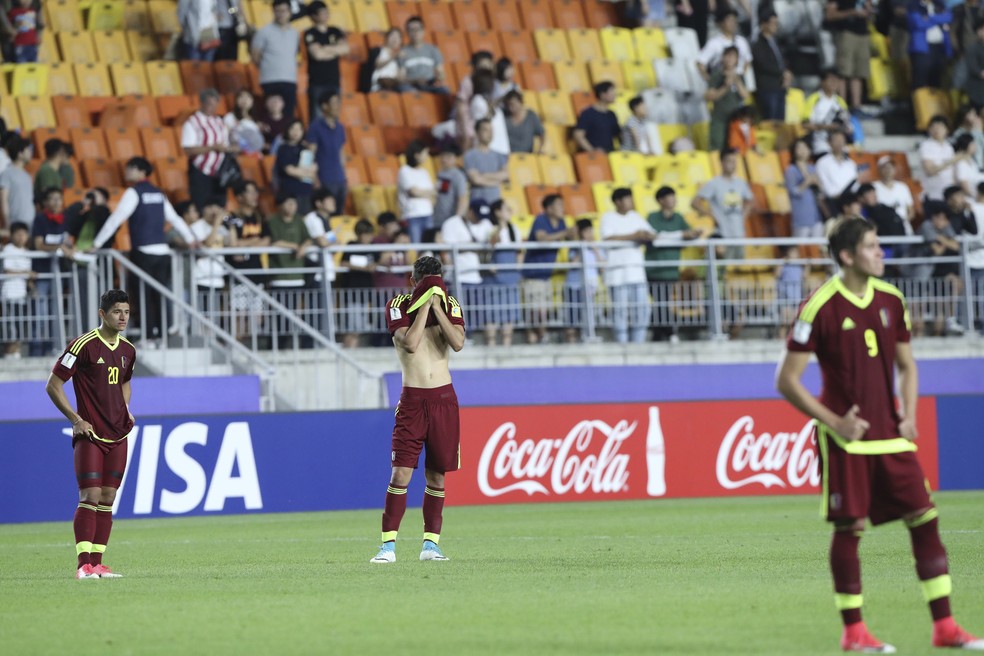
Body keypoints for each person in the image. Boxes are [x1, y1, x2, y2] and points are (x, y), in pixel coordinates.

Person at [776, 216, 984, 653]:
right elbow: (787, 380)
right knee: (850, 527)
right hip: (846, 440)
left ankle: (945, 627)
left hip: (891, 436)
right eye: (872, 246)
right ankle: (854, 633)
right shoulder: (819, 306)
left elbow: (907, 365)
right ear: (847, 256)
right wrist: (834, 422)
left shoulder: (892, 299)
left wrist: (909, 415)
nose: (880, 254)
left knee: (925, 518)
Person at [371, 255, 465, 564]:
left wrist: (438, 306)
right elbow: (409, 343)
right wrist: (425, 305)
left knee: (437, 477)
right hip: (412, 400)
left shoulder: (450, 305)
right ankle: (387, 547)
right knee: (401, 474)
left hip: (444, 401)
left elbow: (458, 343)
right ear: (413, 282)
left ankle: (431, 545)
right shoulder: (397, 305)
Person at [45, 289, 136, 580]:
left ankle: (97, 564)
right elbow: (53, 385)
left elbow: (125, 382)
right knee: (90, 494)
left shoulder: (128, 350)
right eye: (117, 312)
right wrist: (76, 419)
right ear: (102, 314)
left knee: (108, 496)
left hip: (118, 434)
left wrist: (125, 410)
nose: (122, 317)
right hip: (91, 434)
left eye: (126, 312)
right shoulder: (82, 345)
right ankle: (83, 565)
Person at [91, 157, 198, 344]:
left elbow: (117, 218)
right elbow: (174, 218)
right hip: (162, 253)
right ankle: (163, 335)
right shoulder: (158, 193)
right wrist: (191, 240)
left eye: (130, 168)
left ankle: (148, 336)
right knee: (160, 295)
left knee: (143, 295)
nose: (126, 172)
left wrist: (97, 243)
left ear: (141, 171)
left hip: (143, 252)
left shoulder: (134, 192)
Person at [645, 186, 704, 342]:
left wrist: (692, 234)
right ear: (660, 200)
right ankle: (669, 332)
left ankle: (659, 335)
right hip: (654, 269)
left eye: (674, 196)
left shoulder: (678, 218)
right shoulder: (652, 217)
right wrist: (680, 235)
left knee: (662, 302)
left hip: (671, 269)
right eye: (669, 197)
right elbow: (655, 237)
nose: (673, 200)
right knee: (661, 302)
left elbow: (688, 234)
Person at [601, 187, 656, 343]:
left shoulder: (636, 217)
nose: (631, 202)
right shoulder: (608, 218)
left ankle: (638, 342)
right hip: (617, 273)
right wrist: (634, 236)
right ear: (618, 201)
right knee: (620, 311)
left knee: (642, 309)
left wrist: (646, 236)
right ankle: (621, 343)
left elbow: (651, 234)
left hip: (637, 272)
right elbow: (607, 239)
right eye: (628, 199)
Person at [523, 194, 573, 344]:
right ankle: (541, 336)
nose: (563, 209)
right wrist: (565, 233)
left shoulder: (561, 222)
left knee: (543, 309)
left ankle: (538, 336)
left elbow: (569, 237)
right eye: (559, 205)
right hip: (534, 273)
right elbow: (541, 238)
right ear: (549, 208)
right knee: (538, 310)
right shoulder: (540, 220)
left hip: (547, 274)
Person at [29, 187, 72, 356]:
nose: (56, 202)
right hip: (42, 273)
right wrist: (59, 247)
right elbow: (39, 245)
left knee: (56, 313)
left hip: (59, 274)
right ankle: (36, 350)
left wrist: (69, 248)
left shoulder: (65, 219)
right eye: (52, 199)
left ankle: (51, 348)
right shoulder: (40, 219)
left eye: (58, 199)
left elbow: (68, 242)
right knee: (40, 313)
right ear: (46, 202)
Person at [440, 199, 496, 328]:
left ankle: (467, 337)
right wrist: (472, 246)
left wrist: (494, 239)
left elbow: (493, 240)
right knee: (455, 316)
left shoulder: (486, 223)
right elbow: (446, 249)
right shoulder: (452, 224)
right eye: (477, 216)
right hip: (457, 278)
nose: (480, 220)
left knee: (475, 316)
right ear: (470, 211)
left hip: (477, 277)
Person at [693, 148, 754, 262]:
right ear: (721, 162)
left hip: (739, 233)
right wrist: (711, 215)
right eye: (729, 161)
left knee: (739, 267)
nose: (732, 165)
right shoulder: (714, 183)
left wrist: (743, 216)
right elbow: (695, 202)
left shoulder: (740, 183)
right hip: (722, 233)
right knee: (725, 266)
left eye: (734, 161)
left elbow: (749, 201)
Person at [182, 88, 236, 211]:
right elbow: (188, 150)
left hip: (220, 171)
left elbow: (226, 143)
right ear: (202, 103)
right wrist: (212, 147)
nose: (212, 107)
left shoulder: (219, 122)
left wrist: (231, 148)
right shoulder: (192, 123)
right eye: (209, 104)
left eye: (215, 104)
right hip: (200, 170)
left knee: (220, 206)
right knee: (202, 206)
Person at [251, 0, 300, 120]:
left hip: (289, 79)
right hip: (270, 80)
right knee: (270, 116)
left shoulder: (295, 33)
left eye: (283, 11)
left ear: (290, 12)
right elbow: (255, 56)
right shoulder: (264, 32)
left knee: (288, 116)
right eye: (277, 11)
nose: (280, 14)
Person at [484, 199, 523, 346]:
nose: (510, 212)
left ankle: (507, 345)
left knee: (509, 313)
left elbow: (519, 251)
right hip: (494, 278)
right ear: (497, 212)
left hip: (511, 276)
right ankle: (491, 345)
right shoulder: (489, 228)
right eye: (506, 209)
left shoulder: (514, 229)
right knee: (492, 313)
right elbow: (488, 247)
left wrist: (518, 269)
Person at [825, 0, 872, 115]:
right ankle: (842, 106)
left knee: (858, 72)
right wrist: (851, 13)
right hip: (846, 33)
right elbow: (830, 15)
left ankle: (857, 106)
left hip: (862, 33)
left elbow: (869, 10)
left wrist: (868, 10)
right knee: (843, 72)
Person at [304, 0, 349, 121]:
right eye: (322, 12)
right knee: (317, 118)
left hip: (334, 81)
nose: (326, 15)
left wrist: (324, 48)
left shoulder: (335, 31)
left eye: (326, 12)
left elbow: (345, 49)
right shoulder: (310, 33)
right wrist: (335, 50)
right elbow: (317, 55)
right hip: (317, 83)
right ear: (313, 16)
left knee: (334, 117)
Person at [337, 218, 377, 348]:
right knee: (352, 328)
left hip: (365, 292)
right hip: (352, 291)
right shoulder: (351, 245)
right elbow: (343, 263)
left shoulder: (373, 248)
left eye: (369, 234)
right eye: (365, 234)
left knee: (359, 328)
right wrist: (364, 268)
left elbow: (378, 262)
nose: (368, 238)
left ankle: (352, 351)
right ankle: (348, 351)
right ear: (358, 234)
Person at [306, 90, 347, 214]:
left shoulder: (340, 127)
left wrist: (344, 176)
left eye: (338, 102)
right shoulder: (315, 127)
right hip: (324, 179)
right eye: (334, 103)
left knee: (338, 215)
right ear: (324, 106)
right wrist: (314, 179)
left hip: (340, 179)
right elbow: (310, 155)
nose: (338, 106)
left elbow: (341, 152)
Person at [564, 218, 604, 343]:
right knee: (573, 316)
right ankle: (571, 342)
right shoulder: (575, 247)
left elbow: (602, 268)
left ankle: (588, 337)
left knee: (588, 315)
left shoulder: (598, 247)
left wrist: (594, 249)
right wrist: (582, 246)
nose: (589, 234)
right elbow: (573, 263)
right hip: (574, 285)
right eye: (586, 231)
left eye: (591, 231)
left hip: (590, 286)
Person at [705, 46, 750, 151]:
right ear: (722, 58)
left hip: (735, 118)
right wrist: (725, 86)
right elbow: (709, 96)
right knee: (717, 147)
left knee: (736, 148)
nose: (730, 59)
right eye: (727, 56)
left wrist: (736, 81)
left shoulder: (740, 77)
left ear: (737, 60)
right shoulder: (716, 76)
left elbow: (745, 96)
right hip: (719, 118)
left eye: (733, 57)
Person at [803, 69, 853, 156]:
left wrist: (843, 128)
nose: (834, 83)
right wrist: (827, 127)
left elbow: (847, 124)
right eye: (830, 80)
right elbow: (805, 124)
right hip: (820, 143)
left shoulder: (841, 102)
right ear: (822, 82)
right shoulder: (813, 99)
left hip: (839, 144)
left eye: (836, 80)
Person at [752, 8, 791, 121]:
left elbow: (783, 61)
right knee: (770, 121)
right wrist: (783, 73)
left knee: (780, 122)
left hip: (780, 87)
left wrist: (787, 73)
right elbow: (763, 64)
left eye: (776, 23)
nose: (775, 26)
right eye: (772, 23)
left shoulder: (777, 42)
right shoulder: (757, 44)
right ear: (763, 24)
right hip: (767, 88)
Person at [2, 221, 33, 358]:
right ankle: (9, 352)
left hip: (22, 295)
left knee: (20, 324)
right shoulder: (8, 249)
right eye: (18, 234)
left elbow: (27, 275)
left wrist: (31, 282)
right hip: (9, 294)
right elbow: (7, 270)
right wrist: (27, 273)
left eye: (24, 234)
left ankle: (16, 351)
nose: (21, 237)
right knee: (10, 326)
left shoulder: (27, 252)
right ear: (12, 235)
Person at [273, 119, 317, 215]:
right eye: (293, 129)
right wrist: (305, 174)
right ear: (287, 130)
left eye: (299, 129)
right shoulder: (283, 148)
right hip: (291, 192)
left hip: (306, 191)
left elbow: (313, 168)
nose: (296, 132)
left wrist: (305, 173)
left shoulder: (305, 148)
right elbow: (289, 170)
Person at [907, 0, 953, 91]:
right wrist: (939, 19)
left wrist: (930, 18)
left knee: (936, 78)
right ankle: (917, 100)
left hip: (939, 47)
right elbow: (919, 23)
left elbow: (949, 17)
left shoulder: (939, 5)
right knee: (920, 79)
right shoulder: (914, 5)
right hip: (922, 49)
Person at [785, 138, 825, 238]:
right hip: (801, 217)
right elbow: (793, 192)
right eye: (799, 148)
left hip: (816, 216)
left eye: (805, 147)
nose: (803, 150)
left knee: (817, 244)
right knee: (801, 244)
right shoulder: (791, 170)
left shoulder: (813, 168)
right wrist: (806, 182)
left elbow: (822, 191)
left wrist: (818, 183)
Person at [696, 8, 752, 80]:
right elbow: (700, 63)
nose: (733, 23)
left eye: (734, 20)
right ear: (721, 23)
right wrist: (710, 81)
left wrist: (743, 75)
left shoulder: (742, 41)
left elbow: (748, 60)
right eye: (729, 20)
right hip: (722, 81)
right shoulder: (714, 43)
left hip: (739, 81)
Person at [397, 140, 436, 243]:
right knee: (416, 246)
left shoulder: (424, 172)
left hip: (428, 214)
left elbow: (433, 192)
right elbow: (413, 192)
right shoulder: (404, 170)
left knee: (429, 246)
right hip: (412, 216)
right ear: (417, 155)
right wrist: (427, 193)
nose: (427, 157)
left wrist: (423, 192)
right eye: (425, 153)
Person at [398, 15, 448, 94]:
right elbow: (401, 78)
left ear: (423, 30)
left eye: (418, 29)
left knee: (444, 90)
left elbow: (440, 71)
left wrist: (439, 78)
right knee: (404, 89)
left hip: (430, 84)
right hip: (411, 85)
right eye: (412, 30)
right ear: (407, 32)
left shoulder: (433, 50)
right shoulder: (402, 52)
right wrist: (414, 81)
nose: (415, 32)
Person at [463, 119, 509, 203]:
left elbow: (505, 174)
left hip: (496, 203)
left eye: (491, 130)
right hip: (478, 203)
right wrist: (496, 181)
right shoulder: (470, 156)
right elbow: (476, 179)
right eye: (485, 130)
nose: (490, 133)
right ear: (477, 133)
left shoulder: (499, 155)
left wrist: (484, 175)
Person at [816, 130, 859, 215]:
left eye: (842, 140)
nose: (839, 143)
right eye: (836, 140)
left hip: (850, 203)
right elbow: (824, 186)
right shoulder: (822, 162)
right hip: (832, 203)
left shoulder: (851, 163)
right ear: (829, 142)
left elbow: (855, 184)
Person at [920, 116, 962, 202]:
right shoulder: (926, 146)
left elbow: (952, 172)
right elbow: (930, 171)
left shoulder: (949, 147)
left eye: (939, 127)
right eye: (933, 127)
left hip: (949, 193)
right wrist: (950, 161)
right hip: (933, 194)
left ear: (947, 130)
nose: (936, 130)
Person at [573, 81, 620, 153]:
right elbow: (578, 135)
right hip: (594, 156)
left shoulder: (611, 114)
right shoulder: (588, 113)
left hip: (610, 154)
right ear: (602, 94)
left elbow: (618, 135)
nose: (614, 95)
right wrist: (592, 151)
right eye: (611, 92)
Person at [0, 135, 35, 230]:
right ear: (20, 153)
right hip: (15, 223)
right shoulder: (7, 173)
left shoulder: (27, 176)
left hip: (30, 222)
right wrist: (7, 222)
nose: (30, 152)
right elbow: (3, 200)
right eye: (28, 150)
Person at [873, 155, 915, 229]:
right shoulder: (874, 187)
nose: (888, 170)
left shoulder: (903, 187)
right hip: (883, 228)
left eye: (891, 167)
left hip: (903, 227)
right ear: (879, 170)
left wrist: (903, 221)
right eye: (885, 167)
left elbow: (911, 211)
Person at [433, 143, 468, 228]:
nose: (444, 159)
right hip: (436, 219)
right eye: (442, 156)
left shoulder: (458, 176)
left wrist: (457, 219)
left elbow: (462, 199)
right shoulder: (440, 173)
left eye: (448, 157)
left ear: (456, 158)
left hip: (450, 220)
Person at [775, 244, 804, 338]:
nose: (796, 254)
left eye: (797, 252)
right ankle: (780, 340)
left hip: (796, 297)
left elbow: (804, 277)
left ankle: (792, 341)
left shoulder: (799, 266)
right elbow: (777, 274)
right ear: (788, 253)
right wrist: (782, 261)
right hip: (785, 297)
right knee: (784, 321)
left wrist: (808, 266)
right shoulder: (784, 264)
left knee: (794, 323)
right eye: (794, 252)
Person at [223, 89, 265, 155]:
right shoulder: (230, 117)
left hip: (254, 154)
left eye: (248, 97)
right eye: (241, 96)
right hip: (236, 153)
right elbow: (225, 137)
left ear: (252, 101)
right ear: (236, 100)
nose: (245, 99)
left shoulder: (256, 120)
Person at [503, 90, 545, 155]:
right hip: (508, 155)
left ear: (520, 102)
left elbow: (542, 134)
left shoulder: (531, 116)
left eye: (513, 104)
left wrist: (540, 149)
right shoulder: (504, 117)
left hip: (526, 156)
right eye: (508, 105)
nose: (510, 108)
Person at [370, 27, 403, 92]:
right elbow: (377, 65)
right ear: (386, 37)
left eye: (398, 37)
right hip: (378, 86)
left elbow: (400, 77)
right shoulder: (377, 50)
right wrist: (393, 57)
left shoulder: (399, 57)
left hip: (394, 87)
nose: (395, 39)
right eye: (392, 35)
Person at [952, 133, 981, 197]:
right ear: (966, 145)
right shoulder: (960, 163)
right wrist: (975, 197)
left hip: (977, 193)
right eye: (972, 144)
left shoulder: (972, 161)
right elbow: (963, 184)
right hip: (969, 196)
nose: (975, 146)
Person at [964, 18, 984, 108]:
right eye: (982, 29)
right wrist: (981, 73)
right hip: (978, 90)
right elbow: (974, 68)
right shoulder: (973, 48)